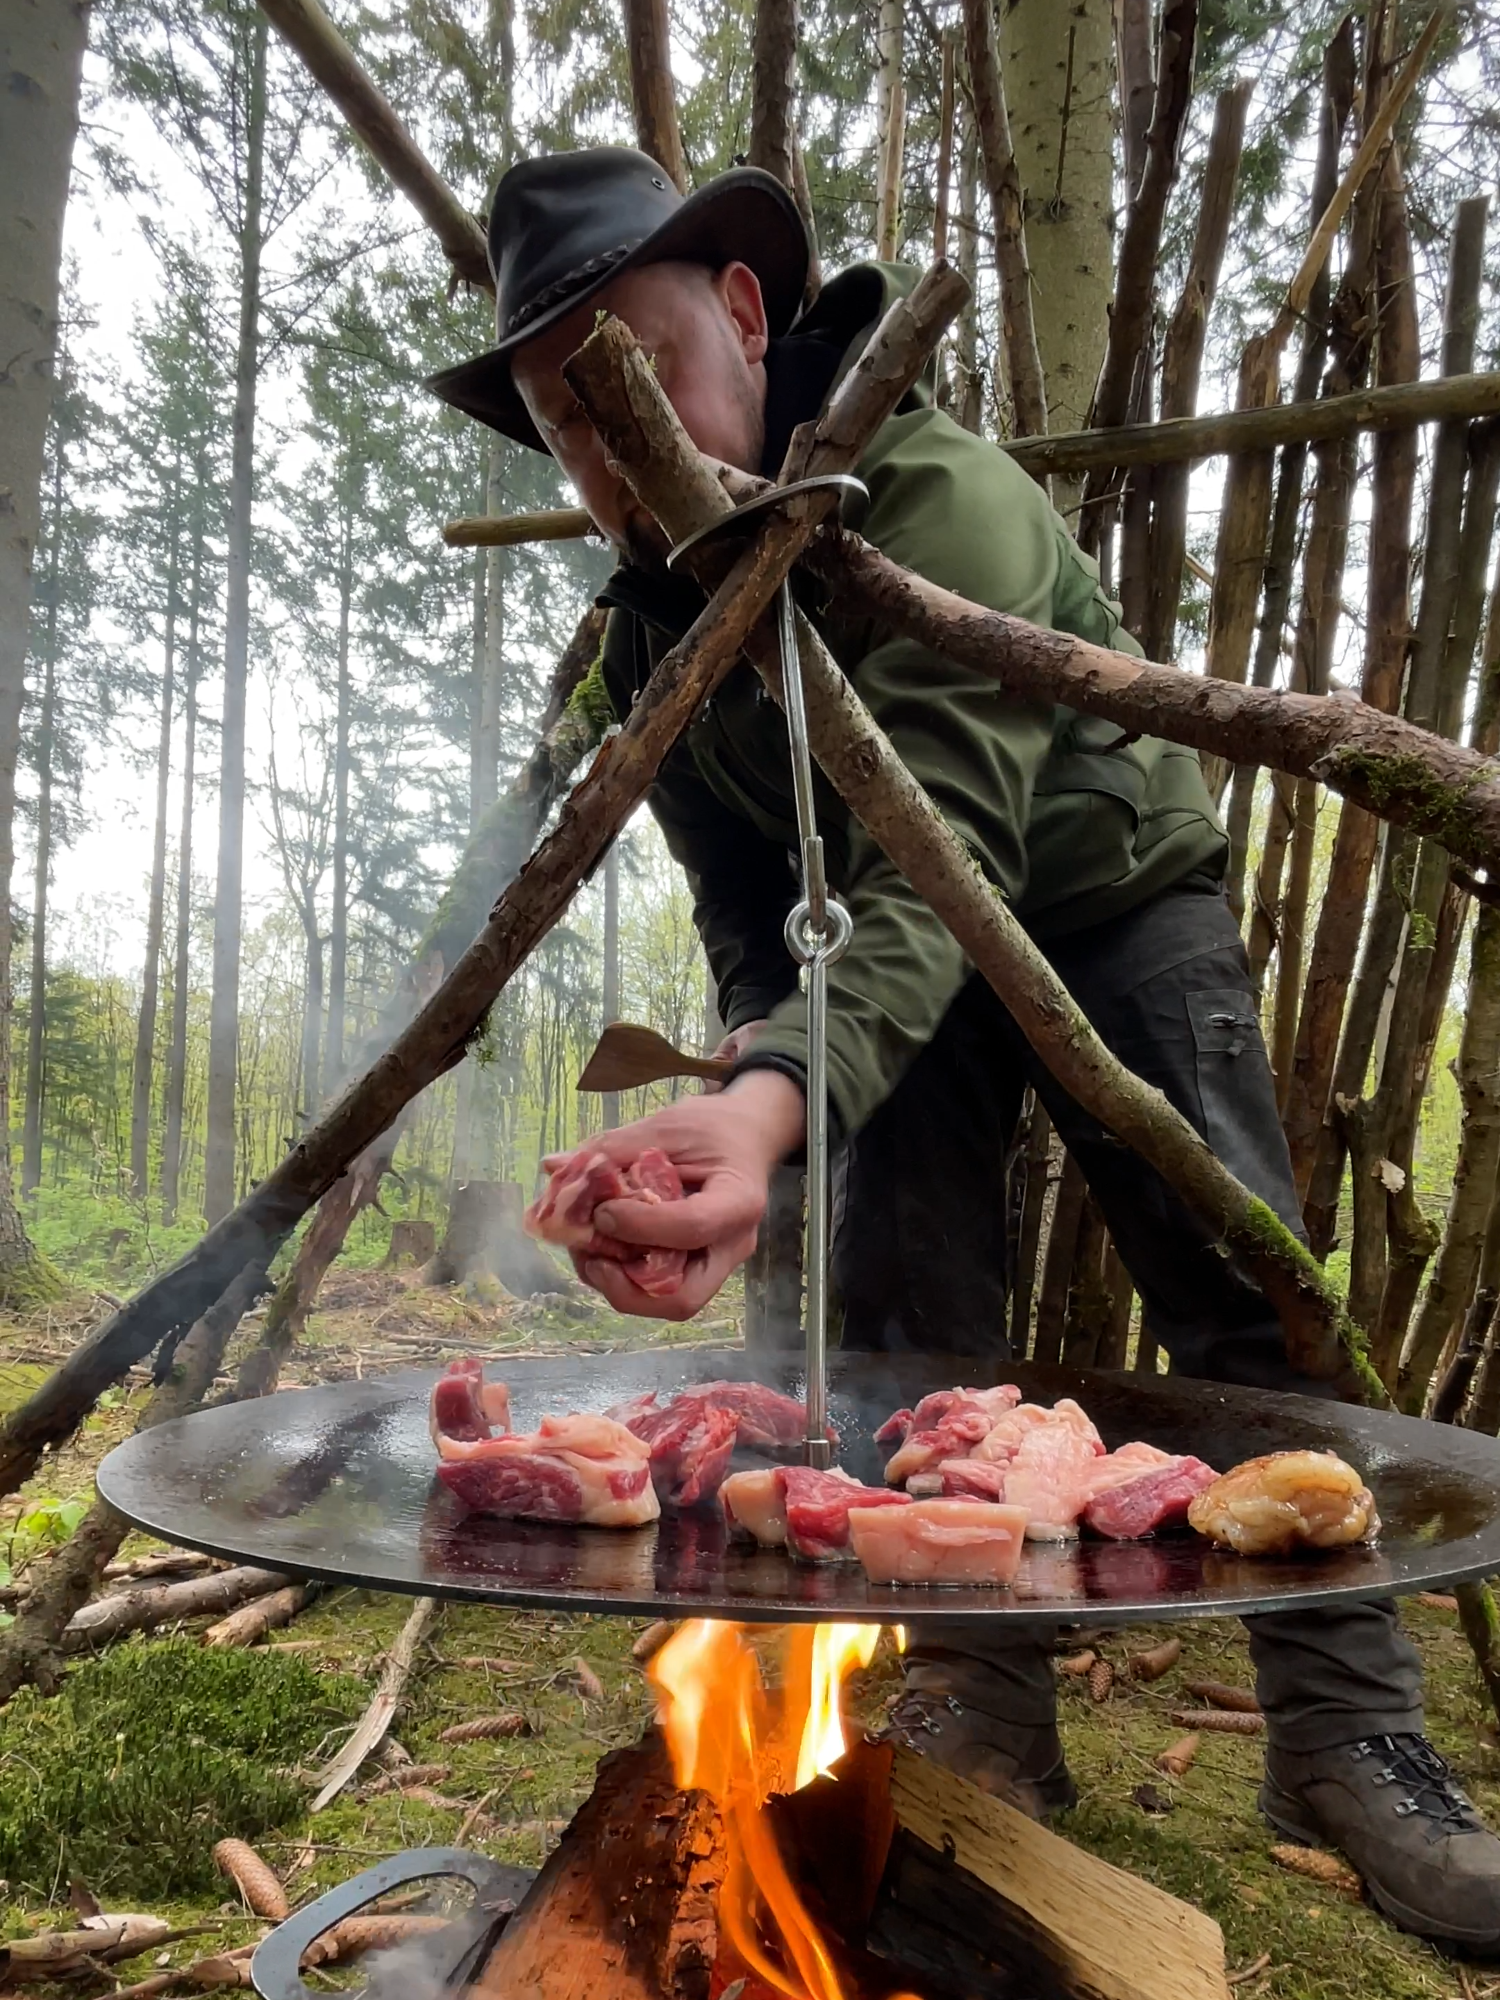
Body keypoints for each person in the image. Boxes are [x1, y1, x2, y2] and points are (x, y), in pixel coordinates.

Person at [430, 143, 1500, 1948]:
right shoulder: (647, 652)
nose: (612, 469)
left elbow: (942, 858)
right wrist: (761, 1086)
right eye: (568, 426)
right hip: (883, 965)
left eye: (636, 385)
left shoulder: (931, 498)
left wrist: (769, 1105)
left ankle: (1349, 1738)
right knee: (916, 1313)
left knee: (1241, 1290)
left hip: (1102, 896)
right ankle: (983, 1711)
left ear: (749, 315)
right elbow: (763, 917)